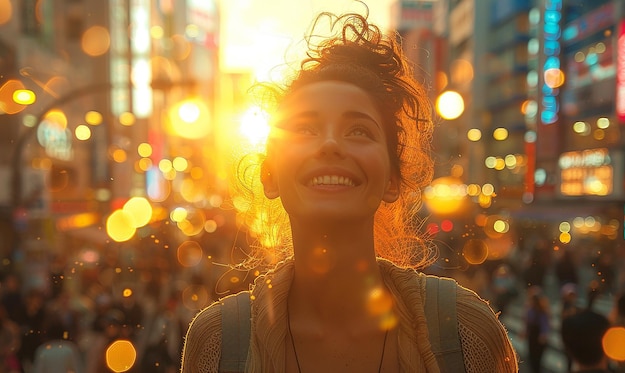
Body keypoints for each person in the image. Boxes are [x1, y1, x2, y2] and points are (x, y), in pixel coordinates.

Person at [181, 6, 518, 373]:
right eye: (305, 129)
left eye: (359, 131)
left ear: (392, 180)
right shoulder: (218, 341)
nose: (329, 145)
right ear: (271, 176)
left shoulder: (464, 332)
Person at [523, 286, 551, 373]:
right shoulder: (529, 310)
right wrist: (525, 331)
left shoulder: (542, 311)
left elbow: (545, 324)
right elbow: (528, 322)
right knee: (531, 355)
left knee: (538, 356)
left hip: (538, 335)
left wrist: (543, 334)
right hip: (532, 334)